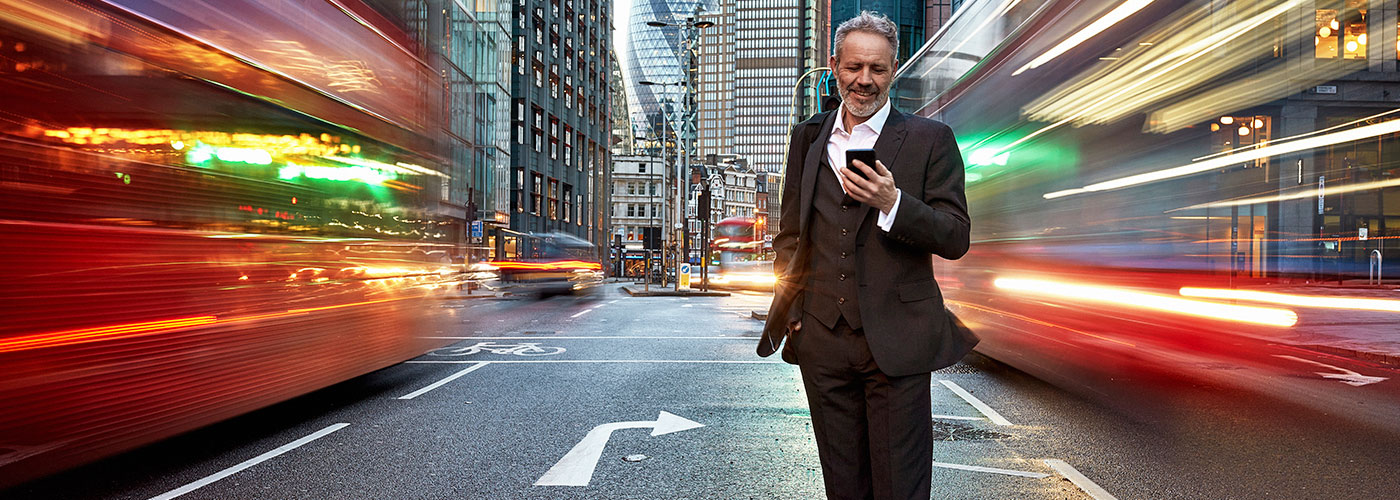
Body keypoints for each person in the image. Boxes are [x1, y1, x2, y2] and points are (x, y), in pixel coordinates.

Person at [758, 11, 977, 500]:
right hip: (822, 341)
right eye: (855, 67)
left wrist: (893, 203)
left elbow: (956, 236)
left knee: (900, 487)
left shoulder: (929, 139)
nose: (865, 80)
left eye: (877, 69)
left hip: (897, 344)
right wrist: (796, 316)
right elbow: (791, 235)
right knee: (843, 485)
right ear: (834, 65)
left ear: (893, 69)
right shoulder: (809, 137)